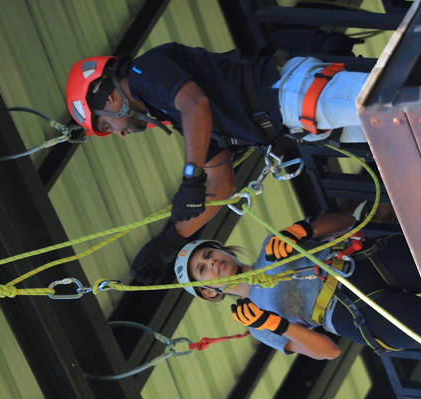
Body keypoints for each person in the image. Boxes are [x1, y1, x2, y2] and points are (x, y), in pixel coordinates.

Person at [65, 31, 369, 286]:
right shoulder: (177, 117)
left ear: (106, 96)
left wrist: (191, 176)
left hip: (291, 93)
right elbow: (221, 186)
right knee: (401, 125)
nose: (117, 133)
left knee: (402, 103)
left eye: (105, 125)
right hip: (300, 117)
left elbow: (196, 104)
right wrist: (168, 242)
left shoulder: (145, 72)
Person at [173, 213, 421, 359]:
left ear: (224, 251)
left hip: (361, 264)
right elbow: (329, 351)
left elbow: (348, 221)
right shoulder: (258, 325)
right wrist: (276, 325)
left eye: (210, 255)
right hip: (347, 314)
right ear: (208, 292)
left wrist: (303, 231)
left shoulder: (272, 246)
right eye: (202, 270)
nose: (212, 264)